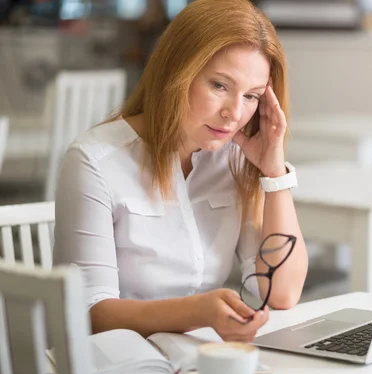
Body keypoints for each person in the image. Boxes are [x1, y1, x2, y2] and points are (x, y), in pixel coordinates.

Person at [53, 0, 308, 343]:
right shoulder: (94, 160)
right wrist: (197, 312)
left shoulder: (232, 159)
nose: (234, 113)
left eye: (251, 96)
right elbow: (89, 313)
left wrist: (274, 173)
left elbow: (281, 293)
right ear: (177, 72)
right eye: (219, 85)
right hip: (119, 366)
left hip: (197, 358)